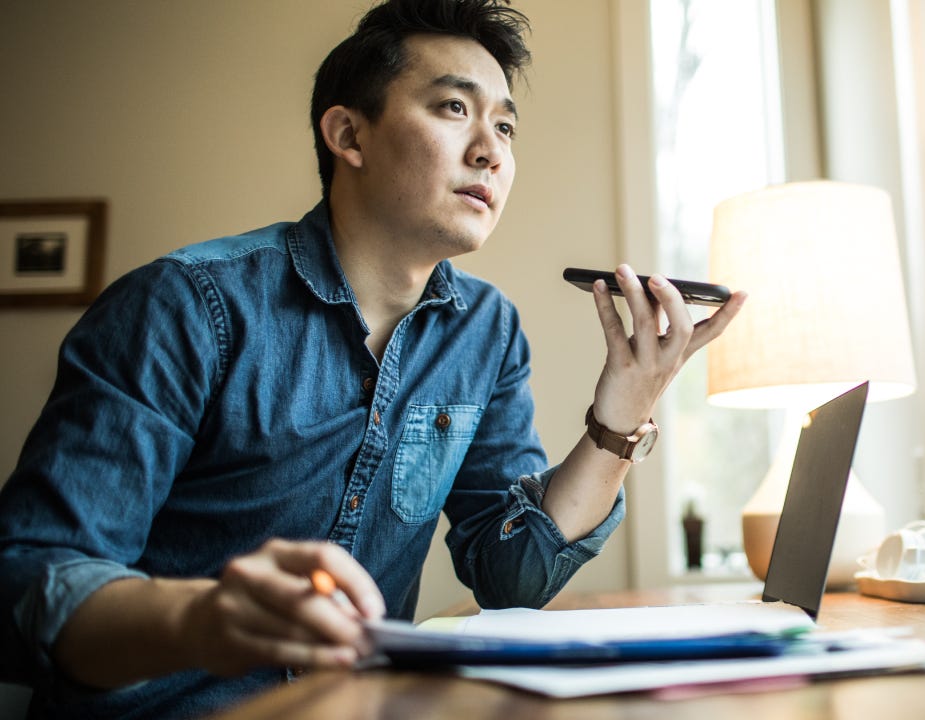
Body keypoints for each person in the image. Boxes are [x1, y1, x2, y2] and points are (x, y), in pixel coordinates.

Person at [0, 0, 746, 716]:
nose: (490, 149)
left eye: (506, 126)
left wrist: (628, 405)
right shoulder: (183, 306)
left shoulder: (484, 332)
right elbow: (28, 582)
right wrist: (203, 618)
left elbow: (508, 573)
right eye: (454, 109)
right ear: (349, 136)